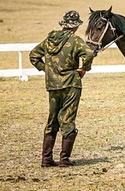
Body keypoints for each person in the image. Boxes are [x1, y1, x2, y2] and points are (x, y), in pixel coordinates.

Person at [29, 10, 95, 167]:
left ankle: (46, 159)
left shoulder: (49, 40)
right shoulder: (75, 40)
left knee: (52, 120)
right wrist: (83, 69)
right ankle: (64, 159)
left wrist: (47, 70)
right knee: (67, 119)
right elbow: (89, 54)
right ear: (75, 26)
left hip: (52, 85)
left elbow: (33, 56)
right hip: (71, 84)